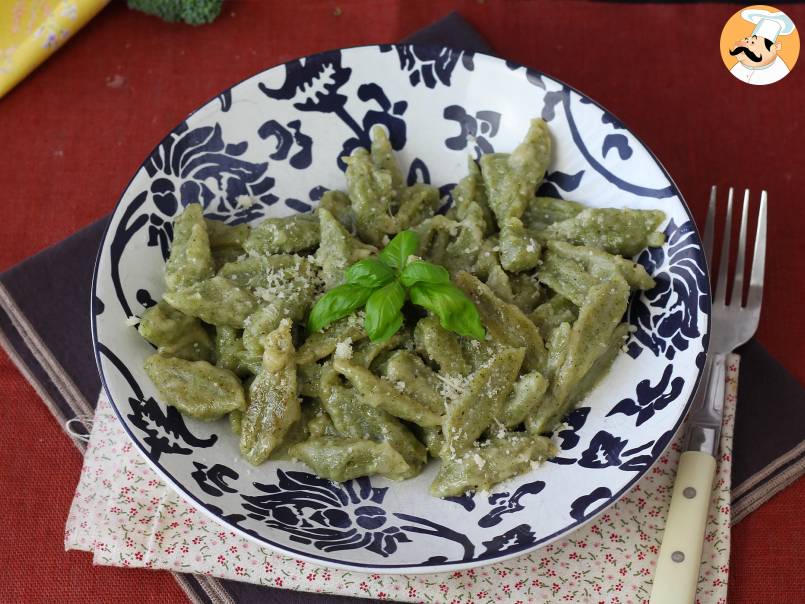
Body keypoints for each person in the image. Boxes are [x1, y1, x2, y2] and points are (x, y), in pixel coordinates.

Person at [729, 9, 796, 85]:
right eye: (746, 40)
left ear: (775, 47)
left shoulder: (779, 72)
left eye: (752, 42)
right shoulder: (739, 67)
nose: (745, 44)